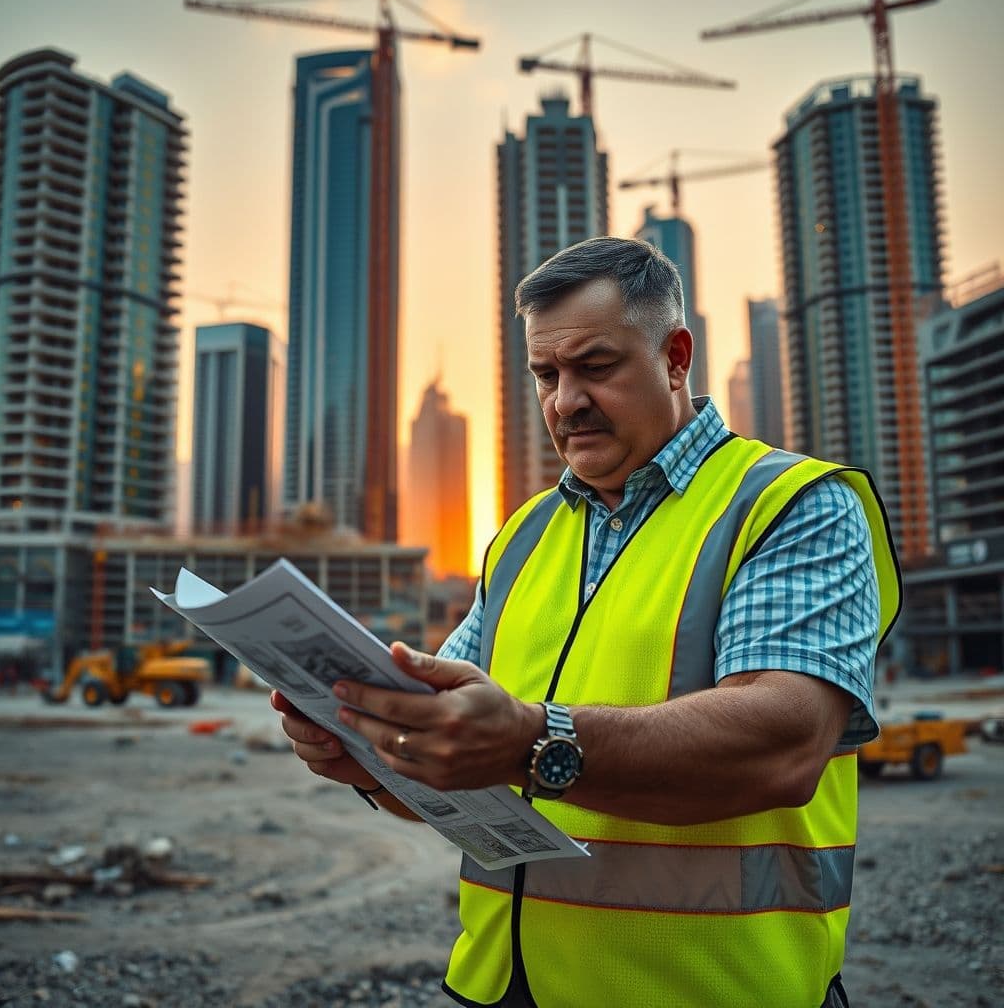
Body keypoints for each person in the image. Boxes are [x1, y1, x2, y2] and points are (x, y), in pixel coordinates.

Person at [273, 236, 900, 1008]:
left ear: (675, 358)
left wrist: (531, 739)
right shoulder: (522, 538)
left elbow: (785, 742)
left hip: (714, 992)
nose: (565, 401)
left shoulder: (792, 505)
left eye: (596, 366)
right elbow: (461, 758)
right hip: (501, 989)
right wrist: (372, 753)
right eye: (546, 374)